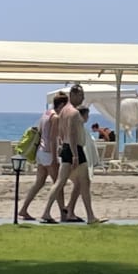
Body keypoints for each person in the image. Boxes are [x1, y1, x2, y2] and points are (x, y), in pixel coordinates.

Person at [40, 84, 105, 224]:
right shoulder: (74, 113)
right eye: (81, 95)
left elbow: (60, 132)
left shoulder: (63, 111)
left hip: (66, 148)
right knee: (83, 182)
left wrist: (62, 146)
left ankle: (47, 211)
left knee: (63, 182)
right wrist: (75, 155)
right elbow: (72, 133)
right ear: (73, 95)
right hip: (75, 149)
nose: (83, 98)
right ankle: (90, 216)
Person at [17, 94, 67, 221]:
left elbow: (41, 132)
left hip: (40, 151)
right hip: (48, 153)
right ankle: (62, 213)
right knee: (58, 184)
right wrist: (55, 158)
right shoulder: (55, 117)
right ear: (61, 105)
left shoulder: (46, 113)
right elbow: (53, 139)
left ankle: (24, 209)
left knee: (39, 182)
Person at [66, 107, 105, 223]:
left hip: (76, 158)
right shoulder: (79, 128)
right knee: (84, 185)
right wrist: (76, 157)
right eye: (87, 115)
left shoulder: (78, 127)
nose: (88, 117)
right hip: (79, 158)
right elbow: (83, 145)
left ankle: (70, 209)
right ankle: (89, 216)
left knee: (79, 185)